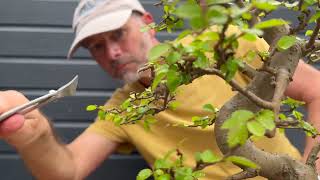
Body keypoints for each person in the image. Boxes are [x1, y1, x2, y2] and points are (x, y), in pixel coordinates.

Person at [0, 0, 320, 179]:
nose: (111, 53)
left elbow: (316, 88)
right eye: (96, 46)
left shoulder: (225, 45)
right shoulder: (123, 109)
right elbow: (67, 171)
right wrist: (35, 135)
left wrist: (313, 172)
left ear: (149, 23)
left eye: (117, 34)